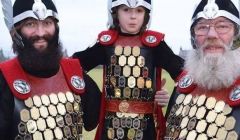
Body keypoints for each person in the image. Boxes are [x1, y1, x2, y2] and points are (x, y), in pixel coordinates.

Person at [72, 0, 184, 139]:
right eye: (126, 10)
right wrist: (95, 97)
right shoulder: (106, 44)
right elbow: (72, 67)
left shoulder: (156, 45)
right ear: (115, 13)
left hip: (145, 129)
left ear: (146, 14)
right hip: (110, 128)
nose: (133, 16)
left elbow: (184, 74)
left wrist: (165, 95)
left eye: (139, 10)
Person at [0, 0, 101, 139]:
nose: (40, 33)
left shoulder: (73, 72)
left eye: (47, 23)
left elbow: (93, 120)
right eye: (30, 24)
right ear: (16, 32)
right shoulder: (3, 78)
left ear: (56, 27)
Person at [164, 0, 240, 139]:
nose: (211, 35)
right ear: (193, 38)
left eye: (222, 26)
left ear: (236, 35)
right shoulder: (183, 87)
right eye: (202, 27)